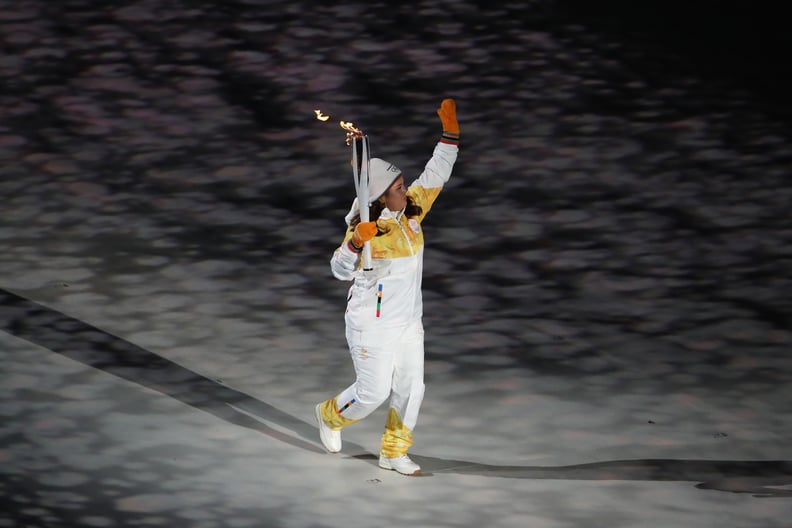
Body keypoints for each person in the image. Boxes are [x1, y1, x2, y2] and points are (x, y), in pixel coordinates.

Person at [315, 99, 460, 476]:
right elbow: (339, 271)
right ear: (381, 197)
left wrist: (450, 137)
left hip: (409, 321)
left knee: (413, 388)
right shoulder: (365, 231)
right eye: (398, 186)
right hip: (371, 324)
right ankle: (330, 415)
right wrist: (355, 244)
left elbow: (435, 175)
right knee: (371, 395)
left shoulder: (411, 211)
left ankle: (394, 452)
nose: (405, 189)